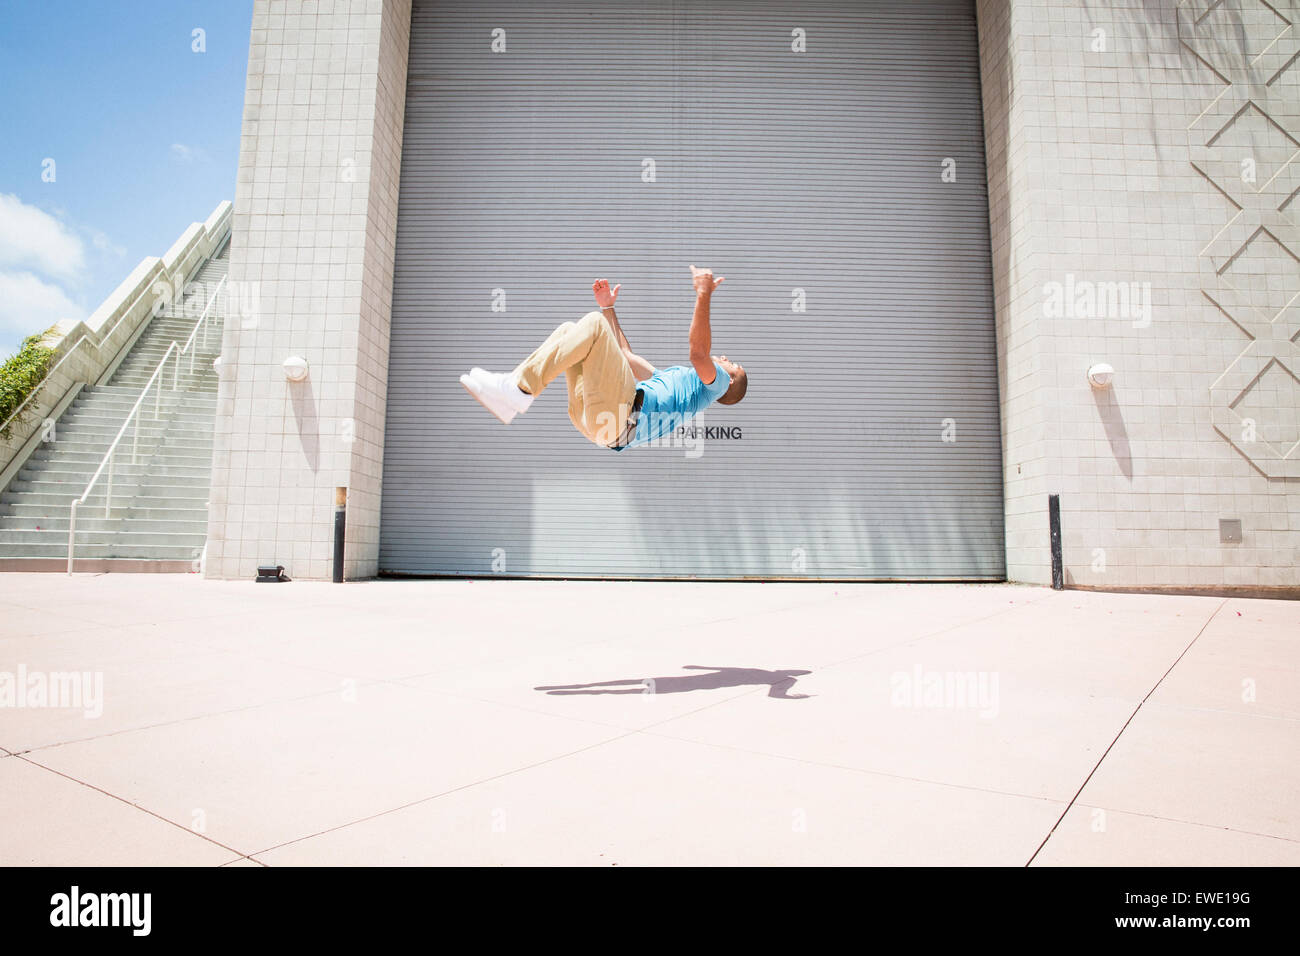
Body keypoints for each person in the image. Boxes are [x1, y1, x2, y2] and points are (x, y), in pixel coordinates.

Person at [459, 265, 747, 450]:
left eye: (731, 363)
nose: (724, 357)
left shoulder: (717, 385)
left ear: (730, 379)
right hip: (599, 423)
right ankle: (514, 391)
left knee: (593, 325)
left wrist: (703, 293)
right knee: (569, 330)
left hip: (620, 417)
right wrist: (609, 308)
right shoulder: (674, 384)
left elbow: (699, 354)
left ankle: (519, 389)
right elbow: (624, 355)